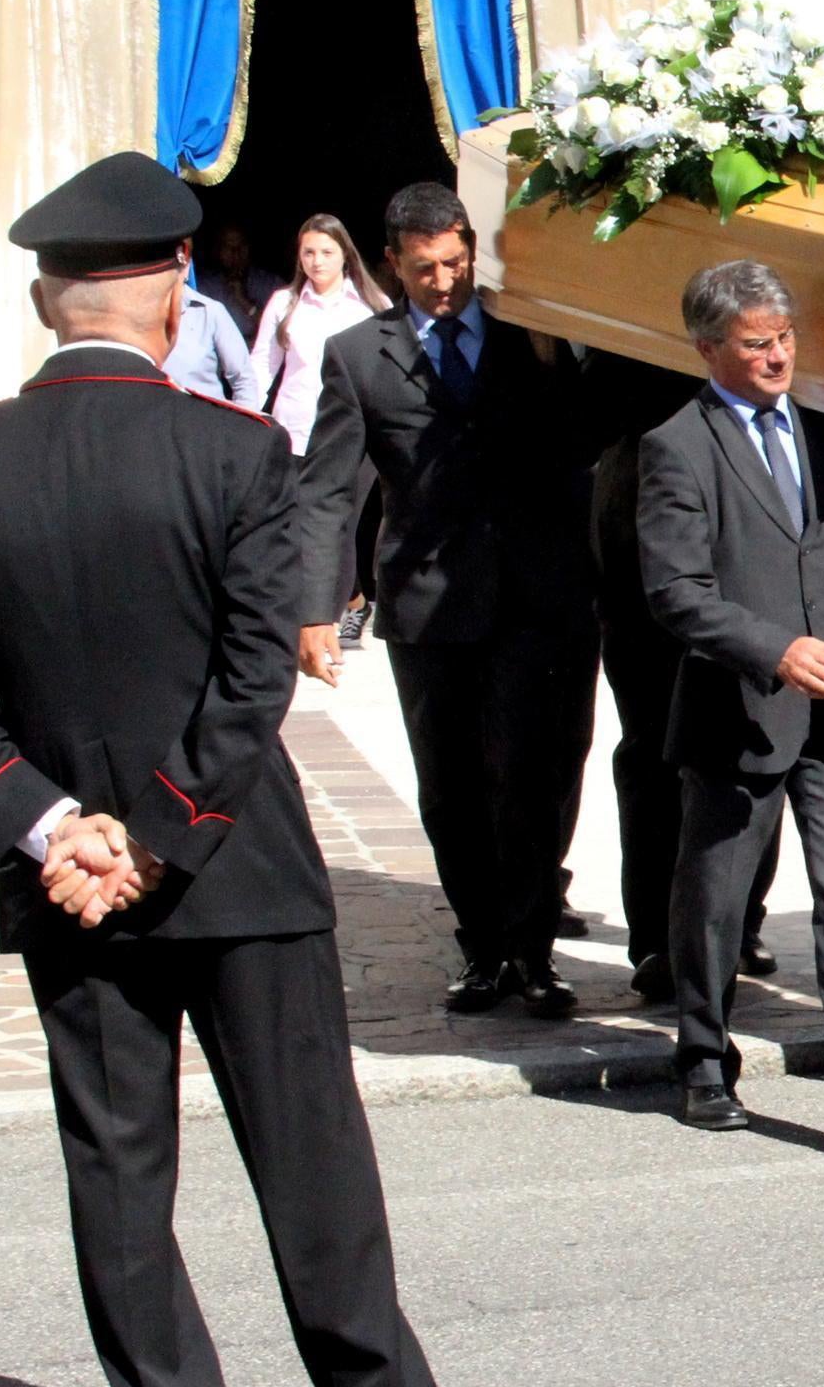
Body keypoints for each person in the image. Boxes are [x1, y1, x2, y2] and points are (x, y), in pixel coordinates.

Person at [0, 152, 505, 1387]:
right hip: (235, 861)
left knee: (115, 1152)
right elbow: (249, 674)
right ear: (171, 294)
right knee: (307, 1142)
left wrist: (54, 831)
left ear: (48, 300)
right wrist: (160, 833)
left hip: (67, 881)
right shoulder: (235, 448)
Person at [637, 260, 824, 1145]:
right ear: (709, 348)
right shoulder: (678, 446)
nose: (777, 356)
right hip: (740, 709)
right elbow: (676, 592)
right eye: (756, 343)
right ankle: (702, 1061)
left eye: (785, 338)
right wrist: (774, 650)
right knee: (717, 902)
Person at [292, 182, 603, 1019]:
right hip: (431, 608)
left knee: (538, 773)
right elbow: (327, 494)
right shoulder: (360, 356)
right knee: (454, 784)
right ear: (392, 264)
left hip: (541, 599)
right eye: (425, 268)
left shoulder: (532, 334)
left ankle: (534, 950)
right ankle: (484, 948)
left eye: (457, 262)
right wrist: (315, 609)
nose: (443, 281)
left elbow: (587, 430)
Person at [586, 348, 782, 1004]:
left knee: (757, 737)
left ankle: (737, 920)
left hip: (748, 538)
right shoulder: (627, 299)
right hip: (642, 538)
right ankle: (656, 937)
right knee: (652, 747)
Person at [255, 214, 390, 455]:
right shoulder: (283, 303)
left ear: (345, 254)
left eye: (327, 253)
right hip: (294, 434)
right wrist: (248, 417)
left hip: (351, 435)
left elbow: (386, 370)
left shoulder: (372, 305)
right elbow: (262, 367)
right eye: (309, 253)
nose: (317, 261)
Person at [161, 253, 261, 410]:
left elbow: (243, 378)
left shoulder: (211, 312)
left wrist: (244, 427)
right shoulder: (134, 316)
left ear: (187, 266)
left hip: (206, 425)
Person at [194, 222, 274, 341]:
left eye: (241, 246)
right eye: (228, 247)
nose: (236, 253)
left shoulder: (268, 283)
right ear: (217, 250)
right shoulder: (204, 287)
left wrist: (245, 302)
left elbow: (280, 330)